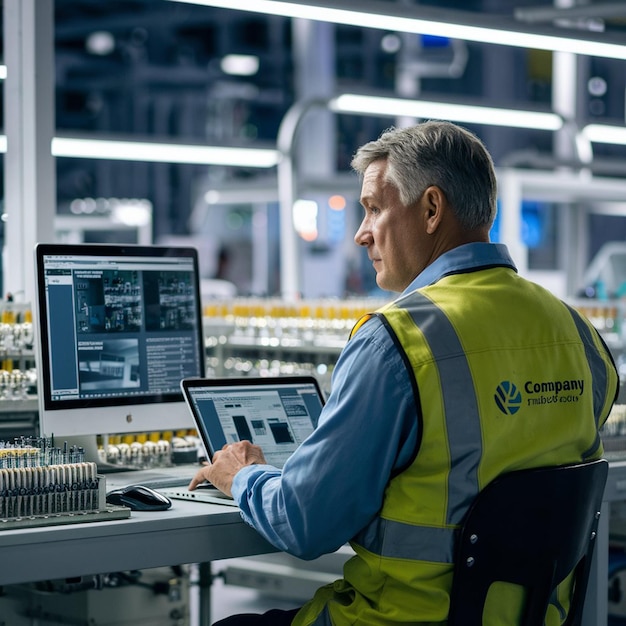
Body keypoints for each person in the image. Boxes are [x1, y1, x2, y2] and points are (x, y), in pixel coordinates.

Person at [189, 120, 619, 625]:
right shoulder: (579, 333)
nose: (360, 232)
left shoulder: (397, 341)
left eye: (374, 208)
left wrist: (241, 475)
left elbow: (306, 524)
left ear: (432, 209)